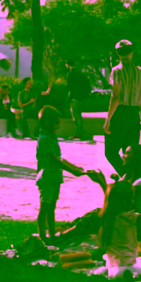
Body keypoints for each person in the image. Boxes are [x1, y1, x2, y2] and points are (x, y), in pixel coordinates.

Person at [35, 105, 88, 244]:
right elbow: (54, 160)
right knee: (44, 208)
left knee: (51, 208)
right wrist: (73, 171)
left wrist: (75, 167)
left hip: (55, 177)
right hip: (47, 178)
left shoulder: (51, 138)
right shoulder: (44, 139)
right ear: (47, 122)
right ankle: (42, 237)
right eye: (56, 123)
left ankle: (52, 235)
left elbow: (60, 158)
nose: (58, 126)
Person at [104, 40, 141, 177]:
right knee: (130, 152)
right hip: (134, 114)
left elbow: (116, 97)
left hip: (120, 113)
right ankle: (134, 178)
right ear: (131, 52)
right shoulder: (140, 71)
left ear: (118, 54)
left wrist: (108, 119)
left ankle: (126, 177)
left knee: (110, 152)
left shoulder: (117, 71)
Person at [66, 62, 92, 140]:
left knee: (76, 116)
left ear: (67, 64)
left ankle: (78, 134)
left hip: (74, 97)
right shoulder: (80, 73)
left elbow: (69, 86)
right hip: (80, 98)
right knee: (78, 116)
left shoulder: (70, 74)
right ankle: (79, 133)